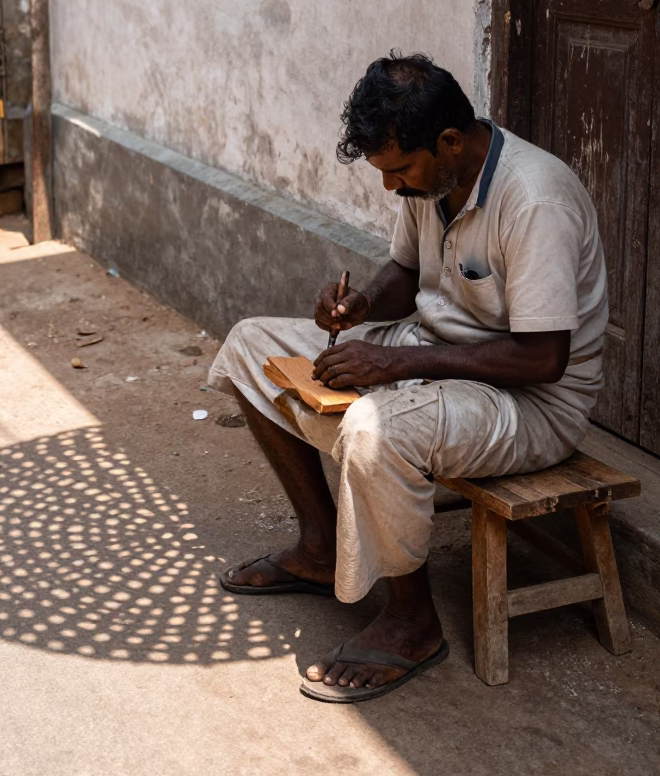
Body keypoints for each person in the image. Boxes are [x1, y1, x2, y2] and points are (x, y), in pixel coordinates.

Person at [207, 53, 608, 703]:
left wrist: (395, 364)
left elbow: (542, 359)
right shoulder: (433, 176)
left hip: (531, 402)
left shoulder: (534, 198)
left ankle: (411, 620)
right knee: (252, 346)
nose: (392, 186)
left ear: (449, 141)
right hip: (431, 349)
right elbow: (404, 275)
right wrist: (360, 306)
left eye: (398, 170)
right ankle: (317, 546)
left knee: (375, 429)